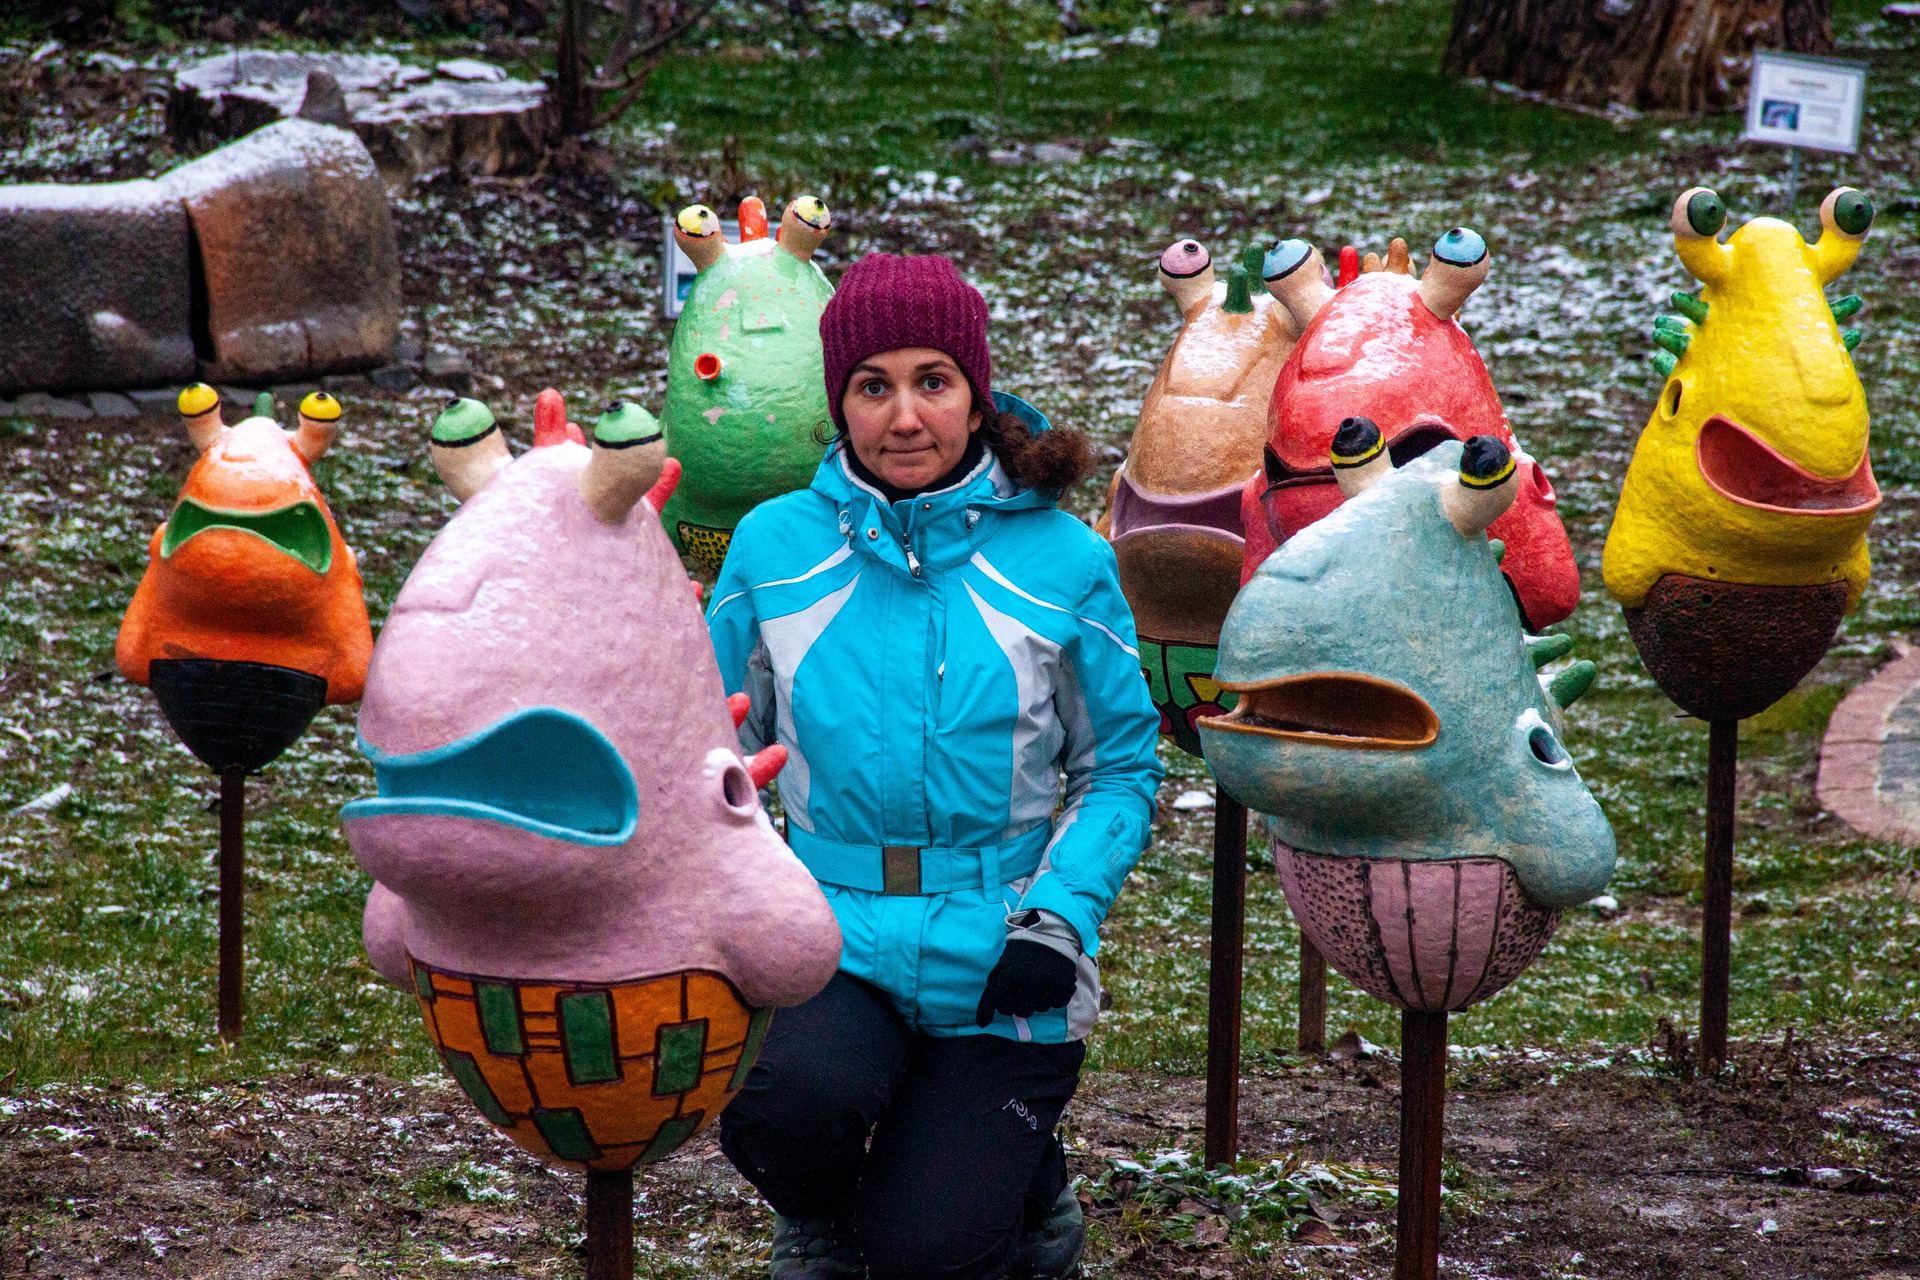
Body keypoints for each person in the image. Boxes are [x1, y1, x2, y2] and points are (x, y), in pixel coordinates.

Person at [705, 252, 1164, 1280]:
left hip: (1005, 947)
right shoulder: (774, 549)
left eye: (933, 381)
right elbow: (709, 749)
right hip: (828, 932)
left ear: (975, 392)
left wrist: (1059, 916)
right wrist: (733, 895)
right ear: (840, 402)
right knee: (779, 1110)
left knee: (930, 1251)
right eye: (873, 386)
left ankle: (1025, 1188)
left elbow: (1120, 770)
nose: (905, 416)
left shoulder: (1065, 561)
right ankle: (823, 1215)